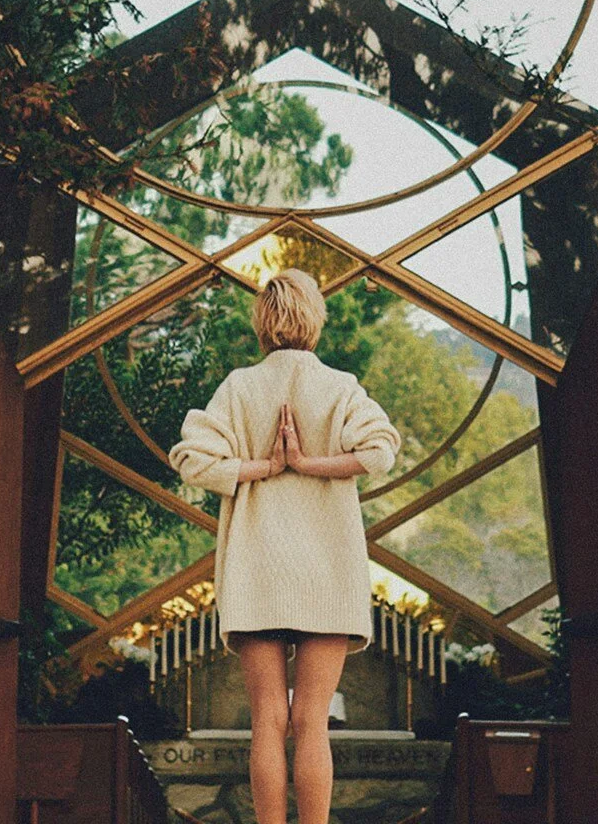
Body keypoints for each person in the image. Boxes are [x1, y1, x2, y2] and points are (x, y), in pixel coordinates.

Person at [169, 268, 402, 824]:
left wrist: (266, 467)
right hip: (328, 572)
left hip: (257, 570)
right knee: (312, 722)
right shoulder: (340, 387)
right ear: (315, 319)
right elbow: (380, 452)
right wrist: (308, 463)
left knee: (268, 721)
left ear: (262, 323)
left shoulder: (238, 388)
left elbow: (191, 460)